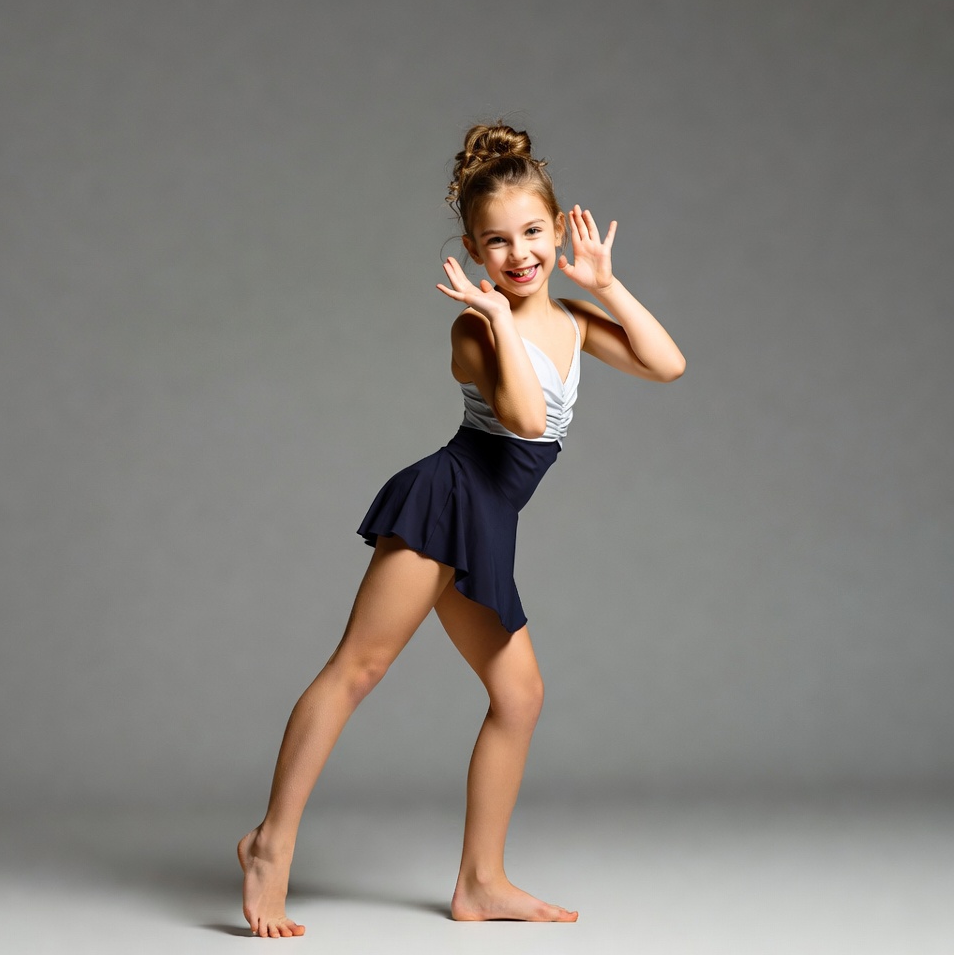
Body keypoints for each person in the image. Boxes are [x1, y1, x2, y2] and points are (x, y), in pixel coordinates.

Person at [237, 121, 685, 938]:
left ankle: (481, 880)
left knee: (520, 697)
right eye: (496, 242)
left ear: (557, 229)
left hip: (489, 522)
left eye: (533, 233)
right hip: (446, 503)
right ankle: (271, 843)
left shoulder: (576, 321)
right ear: (475, 252)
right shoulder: (475, 328)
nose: (518, 255)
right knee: (356, 670)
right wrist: (499, 319)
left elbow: (667, 364)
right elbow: (517, 416)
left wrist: (609, 287)